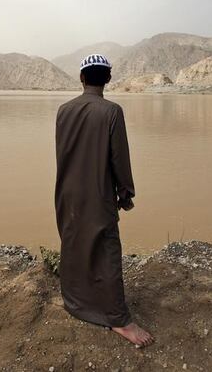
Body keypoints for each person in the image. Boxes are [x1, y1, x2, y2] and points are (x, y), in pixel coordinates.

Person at [53, 53, 154, 348]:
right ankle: (119, 319)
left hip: (66, 193)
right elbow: (119, 157)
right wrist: (125, 192)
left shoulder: (63, 110)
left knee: (74, 246)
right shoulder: (112, 112)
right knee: (107, 251)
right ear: (108, 78)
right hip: (98, 194)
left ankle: (75, 303)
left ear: (82, 78)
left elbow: (65, 153)